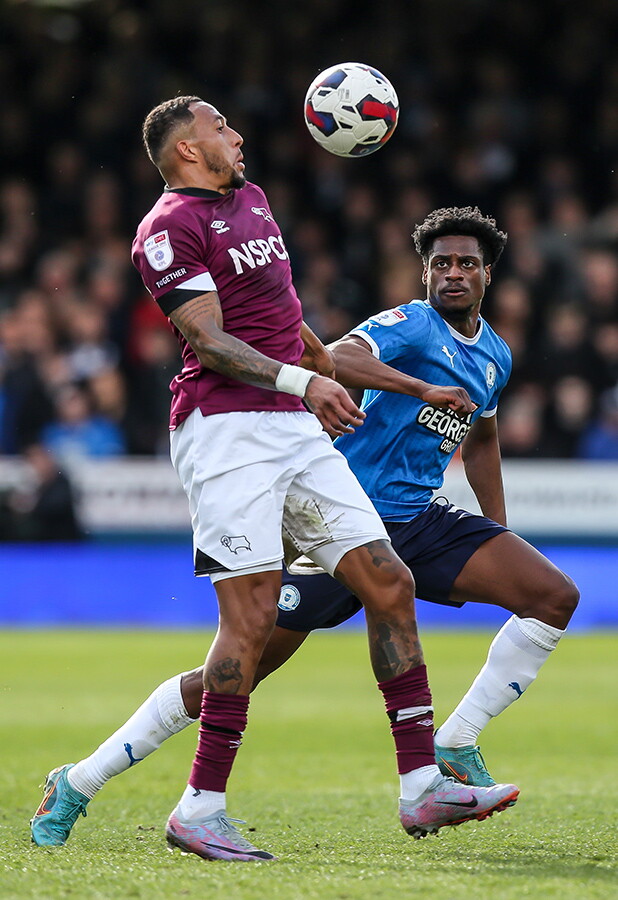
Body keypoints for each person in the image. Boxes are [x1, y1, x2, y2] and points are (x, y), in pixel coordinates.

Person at [30, 106, 518, 859]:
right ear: (188, 148)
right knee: (250, 626)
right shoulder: (166, 229)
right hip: (225, 432)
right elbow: (207, 337)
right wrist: (305, 382)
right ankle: (198, 806)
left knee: (387, 580)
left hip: (292, 422)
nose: (239, 136)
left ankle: (423, 786)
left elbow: (282, 317)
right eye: (222, 127)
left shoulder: (253, 203)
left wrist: (320, 368)